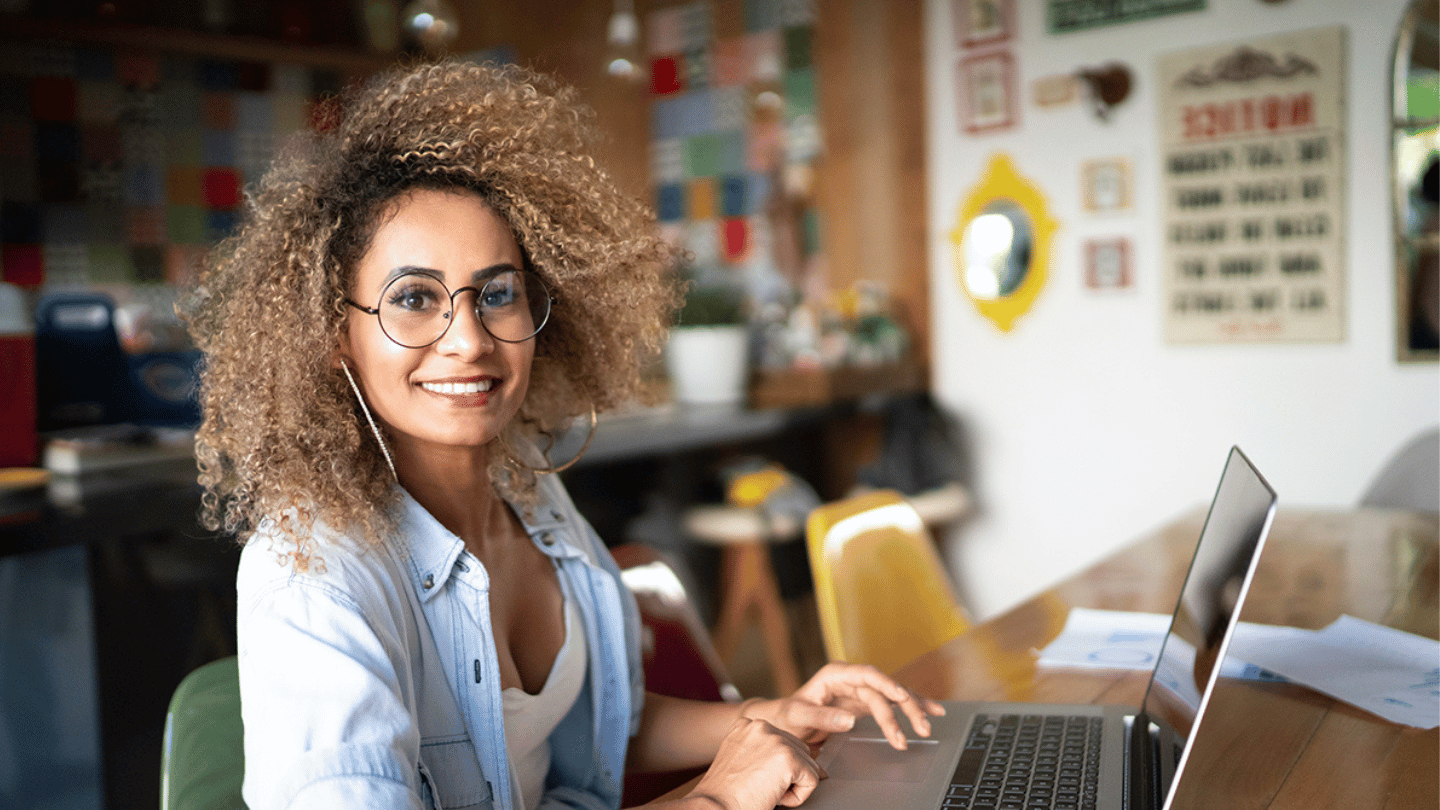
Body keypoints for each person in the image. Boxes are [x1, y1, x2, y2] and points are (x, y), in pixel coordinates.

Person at [182, 59, 944, 810]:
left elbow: (600, 725)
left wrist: (776, 718)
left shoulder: (533, 496)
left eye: (498, 294)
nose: (468, 339)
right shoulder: (312, 573)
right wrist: (710, 801)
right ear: (334, 336)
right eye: (413, 297)